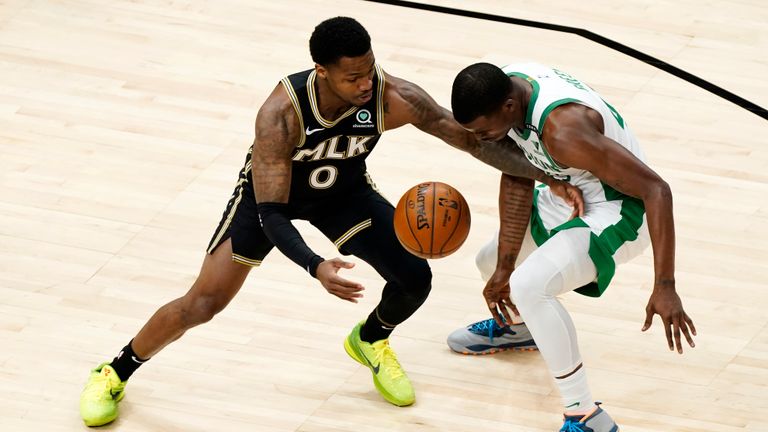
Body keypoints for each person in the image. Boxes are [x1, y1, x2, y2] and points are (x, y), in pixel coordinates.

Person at [78, 18, 584, 427]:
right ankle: (115, 370)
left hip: (342, 193)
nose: (366, 85)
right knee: (203, 303)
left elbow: (473, 140)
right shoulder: (280, 114)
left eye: (369, 71)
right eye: (352, 78)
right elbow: (273, 214)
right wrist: (314, 265)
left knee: (414, 278)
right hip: (268, 201)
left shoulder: (392, 96)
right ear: (320, 71)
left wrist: (546, 174)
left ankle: (370, 340)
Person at [447, 62, 697, 431]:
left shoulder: (564, 130)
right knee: (490, 262)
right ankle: (520, 327)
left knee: (529, 285)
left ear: (509, 108)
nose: (482, 139)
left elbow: (656, 190)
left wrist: (665, 286)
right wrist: (505, 265)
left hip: (624, 208)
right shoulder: (507, 86)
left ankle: (585, 415)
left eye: (484, 131)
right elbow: (516, 172)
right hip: (571, 187)